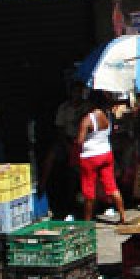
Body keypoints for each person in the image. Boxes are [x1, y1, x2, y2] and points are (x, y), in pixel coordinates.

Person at [74, 91, 127, 224]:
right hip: (106, 154)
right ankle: (122, 216)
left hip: (90, 157)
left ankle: (87, 221)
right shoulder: (108, 115)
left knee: (89, 191)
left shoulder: (88, 119)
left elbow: (79, 141)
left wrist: (76, 154)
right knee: (112, 187)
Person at [43, 81, 88, 218]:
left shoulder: (87, 108)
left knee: (78, 171)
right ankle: (41, 189)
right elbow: (60, 130)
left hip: (83, 142)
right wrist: (68, 145)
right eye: (75, 91)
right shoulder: (64, 108)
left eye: (79, 92)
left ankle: (79, 202)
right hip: (67, 140)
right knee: (51, 157)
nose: (77, 95)